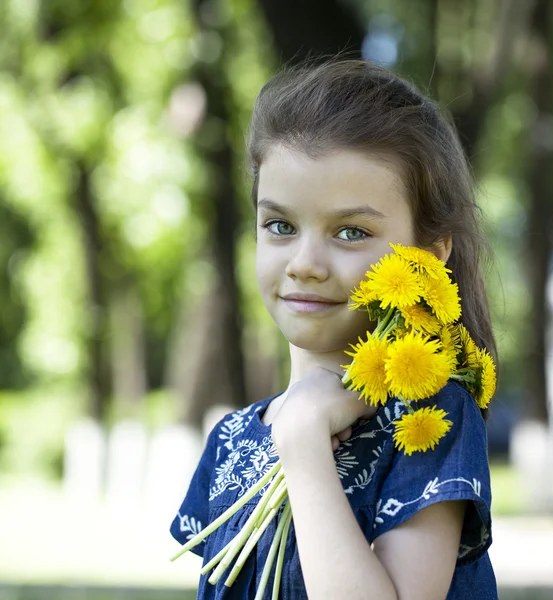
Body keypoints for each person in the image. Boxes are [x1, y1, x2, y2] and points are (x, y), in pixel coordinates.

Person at [171, 58, 498, 600]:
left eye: (350, 231)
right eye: (280, 226)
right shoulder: (233, 439)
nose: (305, 262)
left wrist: (303, 441)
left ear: (429, 256)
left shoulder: (430, 418)